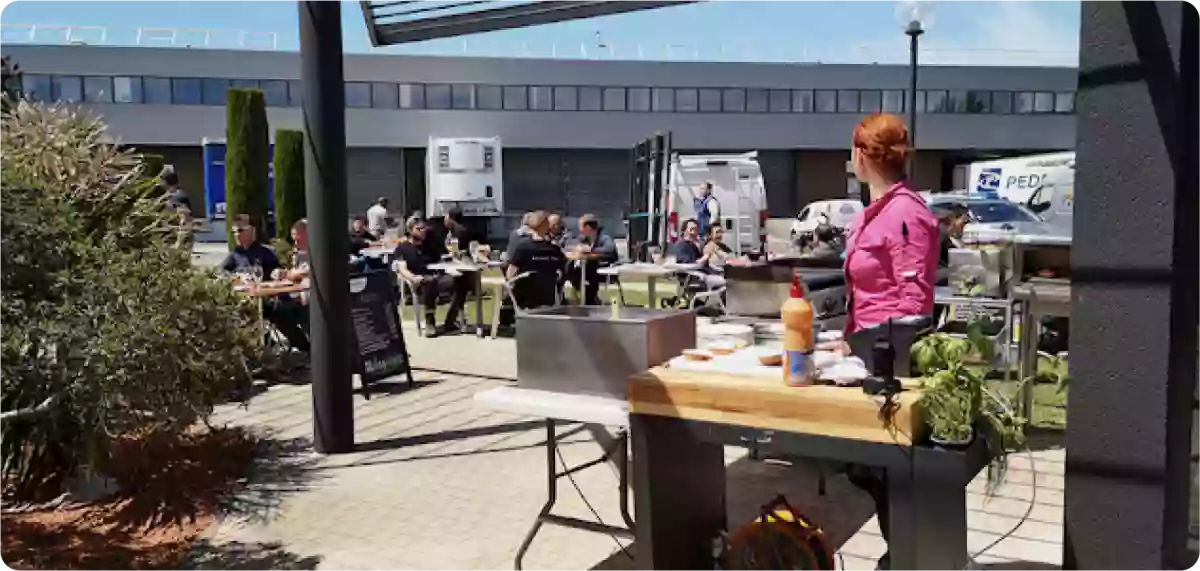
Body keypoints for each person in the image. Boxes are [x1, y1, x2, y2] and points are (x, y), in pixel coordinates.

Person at [840, 113, 939, 571]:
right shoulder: (874, 212)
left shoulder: (906, 214)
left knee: (888, 470)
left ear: (863, 156)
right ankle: (902, 554)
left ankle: (904, 558)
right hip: (867, 350)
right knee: (868, 467)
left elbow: (913, 302)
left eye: (852, 151)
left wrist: (878, 355)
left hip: (891, 358)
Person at [221, 214, 310, 353]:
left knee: (274, 314)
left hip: (269, 299)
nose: (236, 235)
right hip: (246, 299)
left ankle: (299, 348)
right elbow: (222, 272)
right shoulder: (235, 254)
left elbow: (279, 272)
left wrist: (278, 273)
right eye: (234, 232)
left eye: (240, 231)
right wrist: (235, 277)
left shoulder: (266, 253)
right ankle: (257, 348)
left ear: (252, 231)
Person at [393, 217, 471, 337]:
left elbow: (443, 257)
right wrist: (413, 278)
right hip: (420, 281)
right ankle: (430, 321)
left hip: (438, 277)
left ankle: (450, 320)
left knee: (462, 281)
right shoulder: (403, 248)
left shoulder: (430, 245)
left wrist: (453, 257)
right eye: (419, 229)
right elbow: (402, 269)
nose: (423, 231)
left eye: (424, 228)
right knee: (430, 281)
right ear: (410, 230)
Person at [506, 210, 567, 310]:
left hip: (524, 300)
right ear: (548, 227)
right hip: (549, 299)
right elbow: (562, 273)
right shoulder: (555, 250)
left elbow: (510, 275)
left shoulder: (522, 247)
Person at [566, 213, 618, 306]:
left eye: (581, 226)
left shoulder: (604, 236)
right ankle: (588, 297)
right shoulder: (584, 237)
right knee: (570, 268)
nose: (579, 230)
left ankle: (590, 298)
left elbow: (610, 249)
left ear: (588, 227)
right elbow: (573, 245)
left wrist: (590, 249)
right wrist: (576, 248)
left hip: (603, 269)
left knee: (583, 270)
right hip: (587, 268)